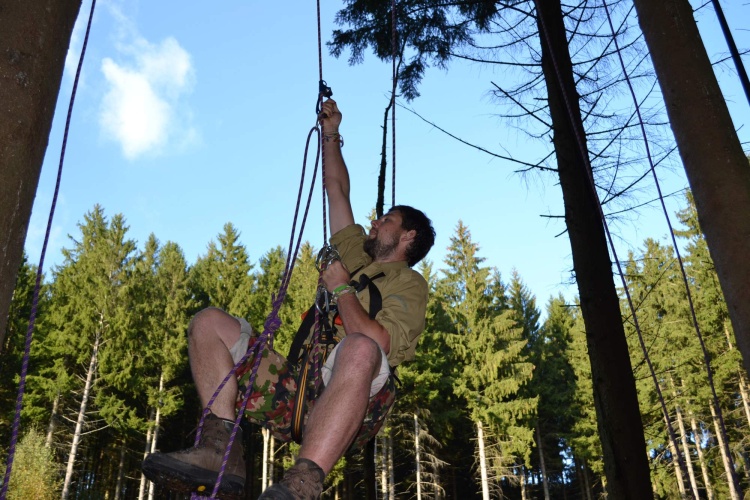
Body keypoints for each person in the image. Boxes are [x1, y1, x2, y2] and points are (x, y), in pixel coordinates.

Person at [142, 99, 435, 500]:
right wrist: (331, 132)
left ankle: (302, 483)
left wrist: (342, 289)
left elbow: (380, 343)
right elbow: (337, 190)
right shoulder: (356, 255)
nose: (376, 221)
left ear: (408, 237)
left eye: (388, 220)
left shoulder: (409, 284)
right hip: (298, 388)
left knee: (362, 348)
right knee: (208, 322)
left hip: (354, 397)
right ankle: (220, 449)